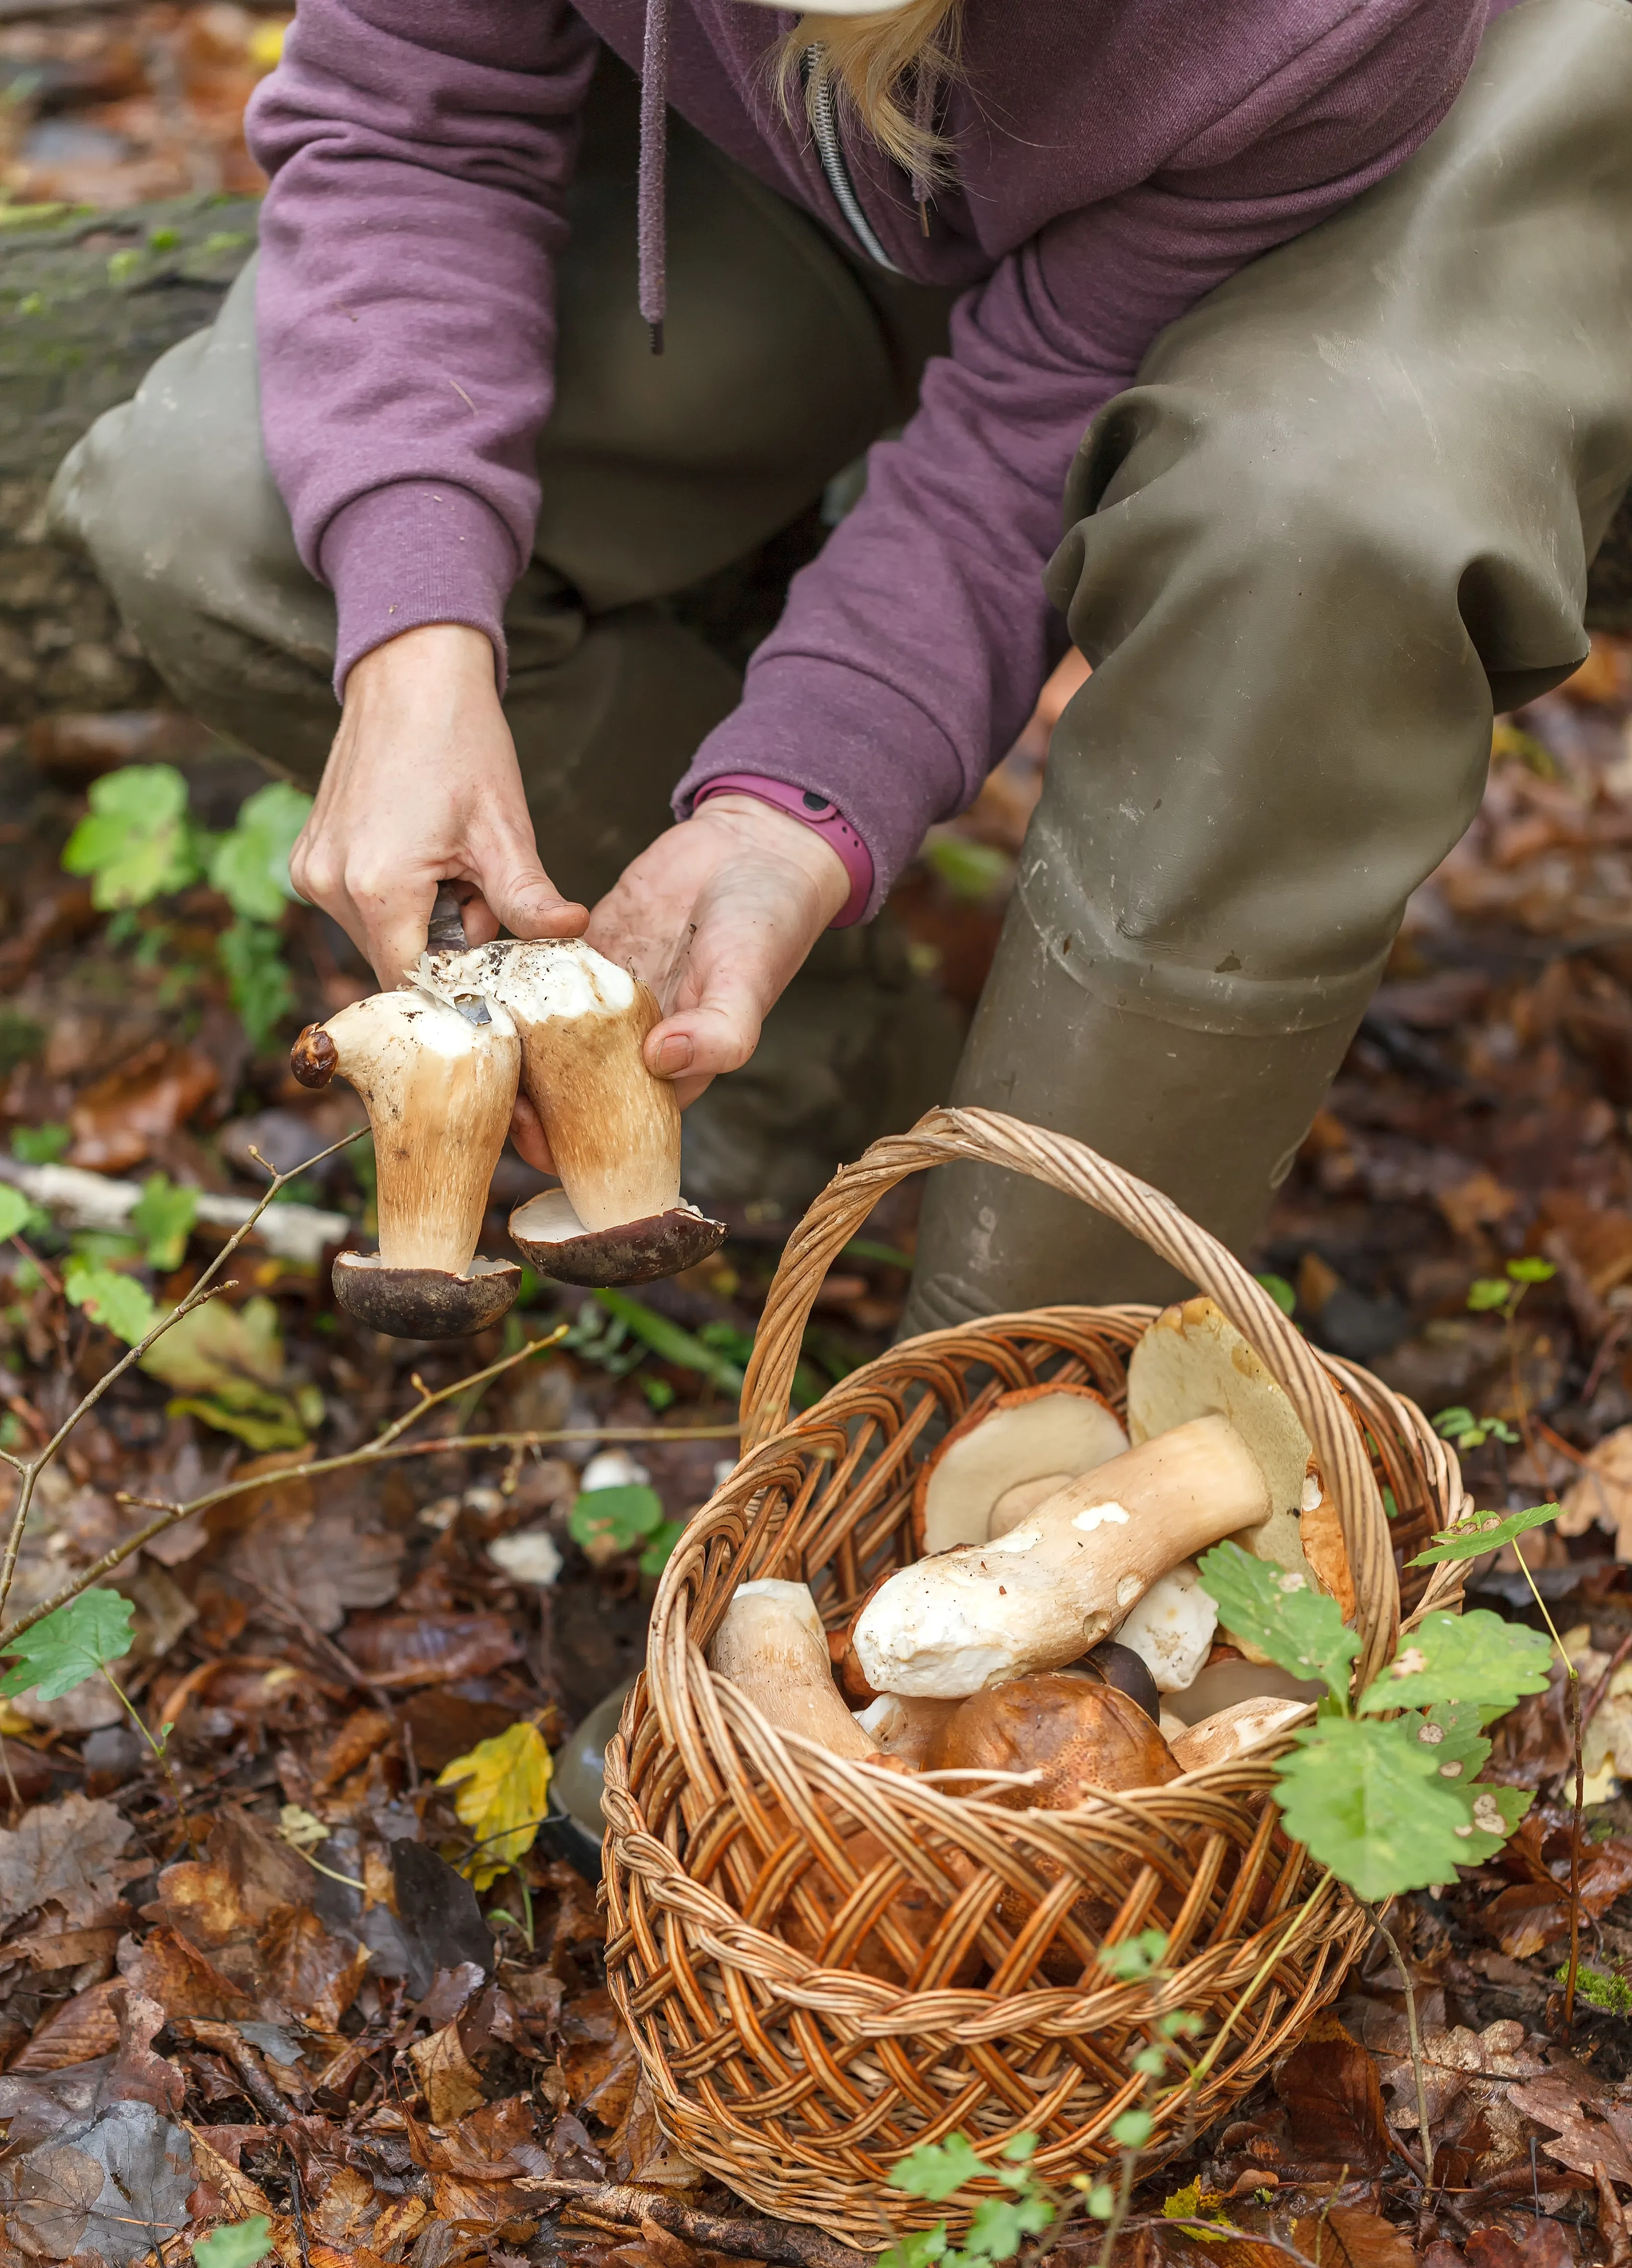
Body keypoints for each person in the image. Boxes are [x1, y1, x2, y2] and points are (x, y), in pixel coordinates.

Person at [48, 0, 1632, 1329]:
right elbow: (415, 120)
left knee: (1312, 528)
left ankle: (1013, 1404)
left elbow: (1039, 409)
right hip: (802, 158)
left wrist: (801, 798)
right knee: (233, 514)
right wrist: (414, 629)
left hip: (1220, 132)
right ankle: (805, 1095)